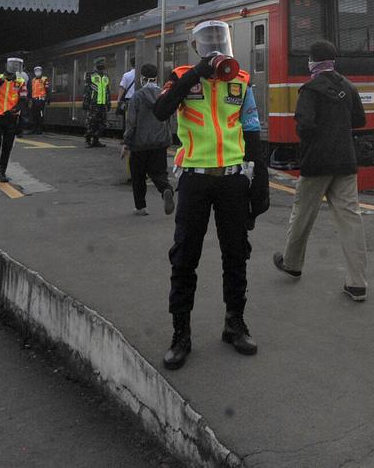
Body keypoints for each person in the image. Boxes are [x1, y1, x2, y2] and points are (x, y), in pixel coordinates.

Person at [152, 20, 269, 370]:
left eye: (221, 38)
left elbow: (251, 133)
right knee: (185, 257)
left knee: (236, 255)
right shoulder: (182, 75)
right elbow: (160, 110)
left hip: (232, 180)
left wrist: (258, 185)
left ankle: (235, 323)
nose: (216, 44)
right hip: (195, 180)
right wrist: (196, 74)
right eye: (209, 40)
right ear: (197, 46)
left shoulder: (241, 80)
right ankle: (180, 333)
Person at [272, 40, 369, 302]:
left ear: (313, 62)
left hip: (317, 163)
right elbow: (360, 120)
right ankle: (357, 283)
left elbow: (304, 126)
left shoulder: (310, 89)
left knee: (302, 214)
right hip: (345, 162)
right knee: (351, 219)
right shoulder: (348, 86)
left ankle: (292, 263)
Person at [121, 62, 174, 217]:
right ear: (157, 78)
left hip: (140, 144)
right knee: (159, 173)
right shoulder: (164, 95)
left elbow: (132, 123)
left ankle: (141, 207)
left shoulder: (136, 97)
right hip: (160, 142)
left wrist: (126, 143)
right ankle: (166, 190)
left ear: (142, 78)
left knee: (138, 176)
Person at [0, 57, 28, 182]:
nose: (13, 68)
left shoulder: (21, 82)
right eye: (12, 65)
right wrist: (2, 79)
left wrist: (16, 109)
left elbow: (23, 99)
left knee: (7, 146)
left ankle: (2, 172)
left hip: (11, 117)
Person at [84, 58, 111, 148]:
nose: (102, 64)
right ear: (96, 64)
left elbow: (107, 90)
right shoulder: (90, 75)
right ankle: (88, 139)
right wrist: (86, 102)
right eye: (100, 63)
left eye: (103, 63)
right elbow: (87, 90)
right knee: (91, 122)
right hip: (93, 103)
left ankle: (96, 140)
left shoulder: (106, 76)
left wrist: (108, 102)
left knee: (102, 123)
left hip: (102, 103)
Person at [29, 66, 49, 135]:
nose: (37, 72)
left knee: (40, 115)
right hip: (34, 99)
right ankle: (34, 129)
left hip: (41, 100)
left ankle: (39, 130)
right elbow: (32, 90)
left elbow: (47, 89)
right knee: (34, 115)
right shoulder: (33, 80)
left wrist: (48, 98)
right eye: (36, 71)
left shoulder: (44, 79)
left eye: (39, 70)